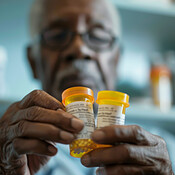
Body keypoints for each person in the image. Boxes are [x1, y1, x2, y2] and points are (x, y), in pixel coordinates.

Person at [0, 0, 174, 174]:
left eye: (98, 36)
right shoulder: (8, 149)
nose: (79, 49)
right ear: (33, 61)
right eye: (58, 35)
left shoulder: (165, 151)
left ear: (116, 61)